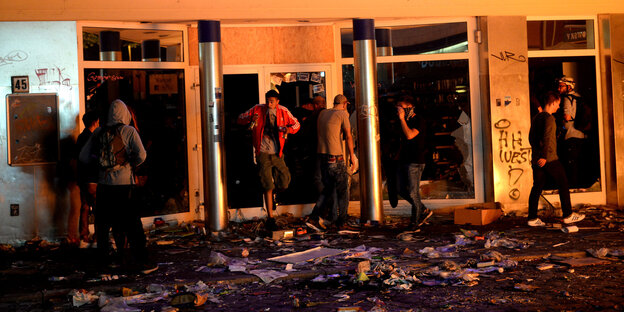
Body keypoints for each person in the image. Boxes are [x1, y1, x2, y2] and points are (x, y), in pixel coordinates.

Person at [79, 99, 154, 273]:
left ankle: (105, 261)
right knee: (132, 223)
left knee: (104, 224)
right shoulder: (129, 131)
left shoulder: (98, 132)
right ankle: (142, 261)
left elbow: (83, 157)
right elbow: (142, 155)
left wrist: (99, 163)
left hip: (104, 185)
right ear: (125, 114)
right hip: (124, 185)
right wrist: (130, 163)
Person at [237, 90, 300, 230]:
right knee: (267, 185)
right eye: (268, 100)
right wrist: (250, 119)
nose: (269, 103)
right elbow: (240, 118)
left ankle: (276, 194)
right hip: (263, 153)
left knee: (284, 180)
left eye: (272, 101)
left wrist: (289, 130)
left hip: (278, 153)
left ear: (277, 102)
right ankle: (270, 217)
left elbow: (296, 124)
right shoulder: (258, 109)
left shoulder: (283, 111)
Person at [527, 91, 585, 227]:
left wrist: (537, 154)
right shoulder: (549, 119)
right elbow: (547, 138)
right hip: (550, 158)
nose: (558, 107)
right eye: (558, 104)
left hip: (537, 158)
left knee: (537, 186)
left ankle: (532, 218)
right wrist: (544, 156)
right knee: (563, 183)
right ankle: (568, 215)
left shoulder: (537, 118)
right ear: (552, 103)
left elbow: (531, 138)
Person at [315, 94, 358, 229]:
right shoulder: (342, 114)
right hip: (335, 157)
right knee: (343, 191)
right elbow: (349, 136)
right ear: (344, 104)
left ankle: (330, 218)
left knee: (330, 189)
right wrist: (352, 155)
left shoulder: (323, 113)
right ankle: (341, 221)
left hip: (322, 156)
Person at [396, 95, 432, 227]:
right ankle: (423, 209)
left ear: (410, 108)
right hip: (404, 159)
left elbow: (410, 135)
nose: (399, 110)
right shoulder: (403, 121)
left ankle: (415, 221)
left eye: (402, 108)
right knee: (400, 188)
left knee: (413, 191)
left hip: (415, 161)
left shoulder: (418, 120)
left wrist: (402, 120)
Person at [76, 110, 99, 248]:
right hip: (93, 177)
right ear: (95, 122)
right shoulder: (94, 138)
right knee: (97, 208)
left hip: (82, 178)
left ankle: (83, 238)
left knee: (84, 206)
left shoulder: (80, 137)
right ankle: (97, 237)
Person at [557, 76, 586, 188]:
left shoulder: (566, 98)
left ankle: (572, 188)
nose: (559, 89)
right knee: (578, 164)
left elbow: (567, 117)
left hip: (571, 136)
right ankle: (579, 186)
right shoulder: (579, 97)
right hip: (581, 135)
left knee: (570, 165)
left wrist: (559, 119)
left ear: (569, 87)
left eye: (561, 86)